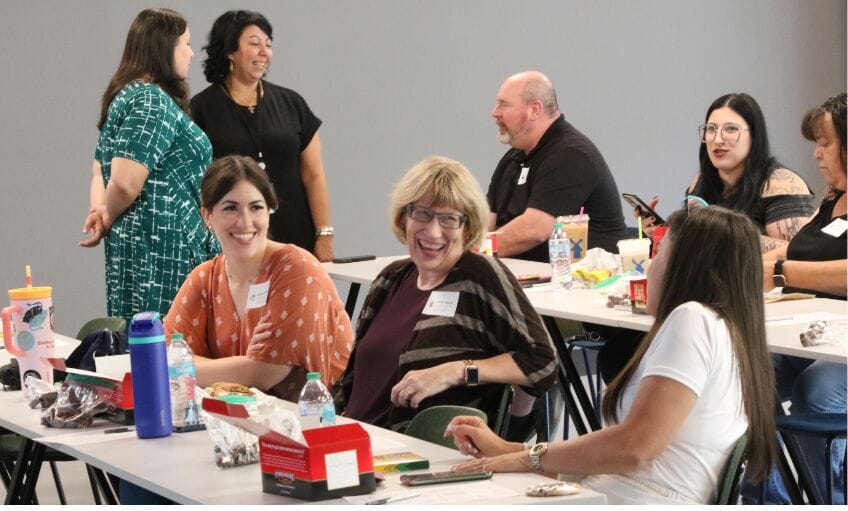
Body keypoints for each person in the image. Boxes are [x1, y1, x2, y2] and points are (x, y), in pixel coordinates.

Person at [446, 207, 777, 505]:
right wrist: (510, 450)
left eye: (660, 252)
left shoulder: (693, 319)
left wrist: (524, 458)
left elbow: (635, 448)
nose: (650, 265)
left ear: (686, 267)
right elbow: (631, 454)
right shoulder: (726, 331)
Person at [336, 156, 557, 432]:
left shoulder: (480, 276)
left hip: (412, 449)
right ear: (404, 217)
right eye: (422, 214)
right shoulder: (390, 278)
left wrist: (456, 371)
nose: (433, 232)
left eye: (449, 219)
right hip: (352, 436)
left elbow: (542, 363)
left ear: (468, 227)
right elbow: (351, 382)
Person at [164, 156, 353, 401]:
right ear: (207, 216)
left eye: (256, 208)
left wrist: (190, 368)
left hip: (316, 417)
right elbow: (163, 358)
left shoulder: (297, 269)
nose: (245, 222)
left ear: (269, 212)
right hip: (235, 416)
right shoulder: (204, 277)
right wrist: (246, 363)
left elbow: (267, 373)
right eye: (230, 208)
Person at [80, 8, 219, 326]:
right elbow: (124, 182)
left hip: (145, 245)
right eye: (186, 43)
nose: (191, 53)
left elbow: (99, 169)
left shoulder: (127, 96)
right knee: (165, 341)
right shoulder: (151, 101)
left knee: (142, 338)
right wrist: (107, 213)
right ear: (163, 46)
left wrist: (102, 210)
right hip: (162, 250)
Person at [749, 92, 847, 505]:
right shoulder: (833, 197)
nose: (816, 154)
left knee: (818, 390)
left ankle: (829, 498)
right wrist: (740, 261)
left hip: (839, 346)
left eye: (825, 143)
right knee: (749, 372)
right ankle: (773, 497)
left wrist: (779, 272)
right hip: (812, 330)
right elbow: (798, 248)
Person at [190, 10, 335, 262]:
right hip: (234, 238)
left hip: (295, 237)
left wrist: (324, 235)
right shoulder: (201, 109)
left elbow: (314, 174)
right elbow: (195, 183)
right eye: (255, 43)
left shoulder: (292, 103)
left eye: (268, 45)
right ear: (230, 51)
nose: (264, 52)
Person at [637, 93, 816, 251]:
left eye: (731, 129)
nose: (718, 139)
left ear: (754, 136)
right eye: (711, 129)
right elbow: (694, 245)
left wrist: (719, 234)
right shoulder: (700, 182)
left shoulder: (782, 184)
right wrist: (663, 233)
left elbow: (799, 252)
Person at [487, 70, 626, 261]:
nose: (495, 113)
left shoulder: (571, 154)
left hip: (583, 276)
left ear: (535, 110)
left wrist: (476, 251)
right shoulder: (512, 158)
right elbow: (486, 220)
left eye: (504, 104)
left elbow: (535, 230)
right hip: (527, 273)